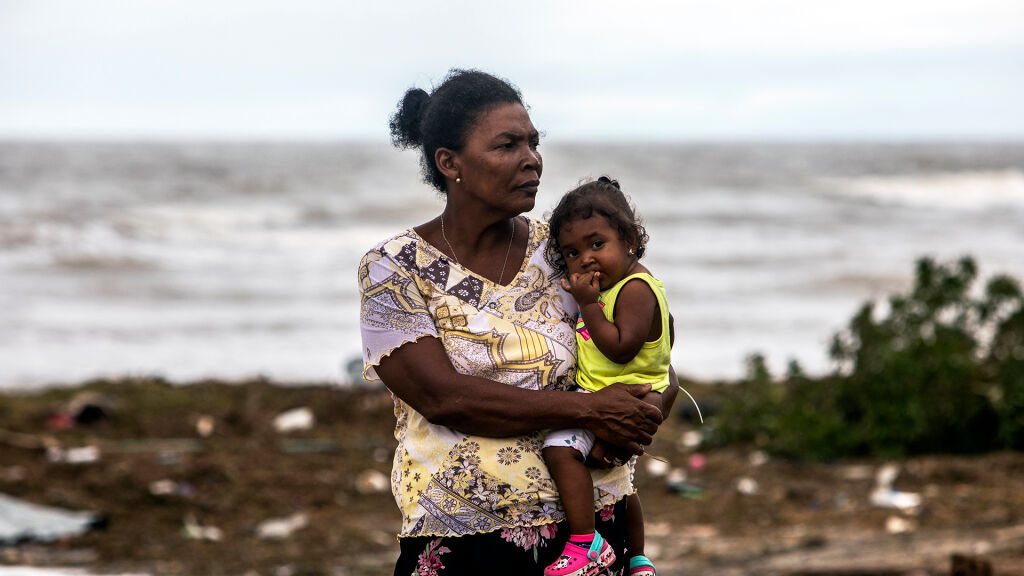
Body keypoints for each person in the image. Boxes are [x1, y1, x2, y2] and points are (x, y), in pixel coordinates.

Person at [359, 69, 677, 575]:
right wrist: (594, 412)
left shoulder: (566, 250)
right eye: (507, 145)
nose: (531, 158)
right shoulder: (395, 267)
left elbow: (652, 344)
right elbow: (445, 398)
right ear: (450, 163)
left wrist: (647, 410)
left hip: (590, 539)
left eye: (534, 142)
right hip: (466, 541)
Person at [542, 177, 671, 576]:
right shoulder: (616, 286)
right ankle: (636, 558)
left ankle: (586, 543)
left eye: (597, 244)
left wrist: (588, 304)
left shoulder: (634, 289)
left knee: (560, 450)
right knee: (620, 482)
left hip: (628, 396)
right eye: (572, 252)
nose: (586, 259)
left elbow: (619, 347)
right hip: (608, 395)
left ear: (630, 238)